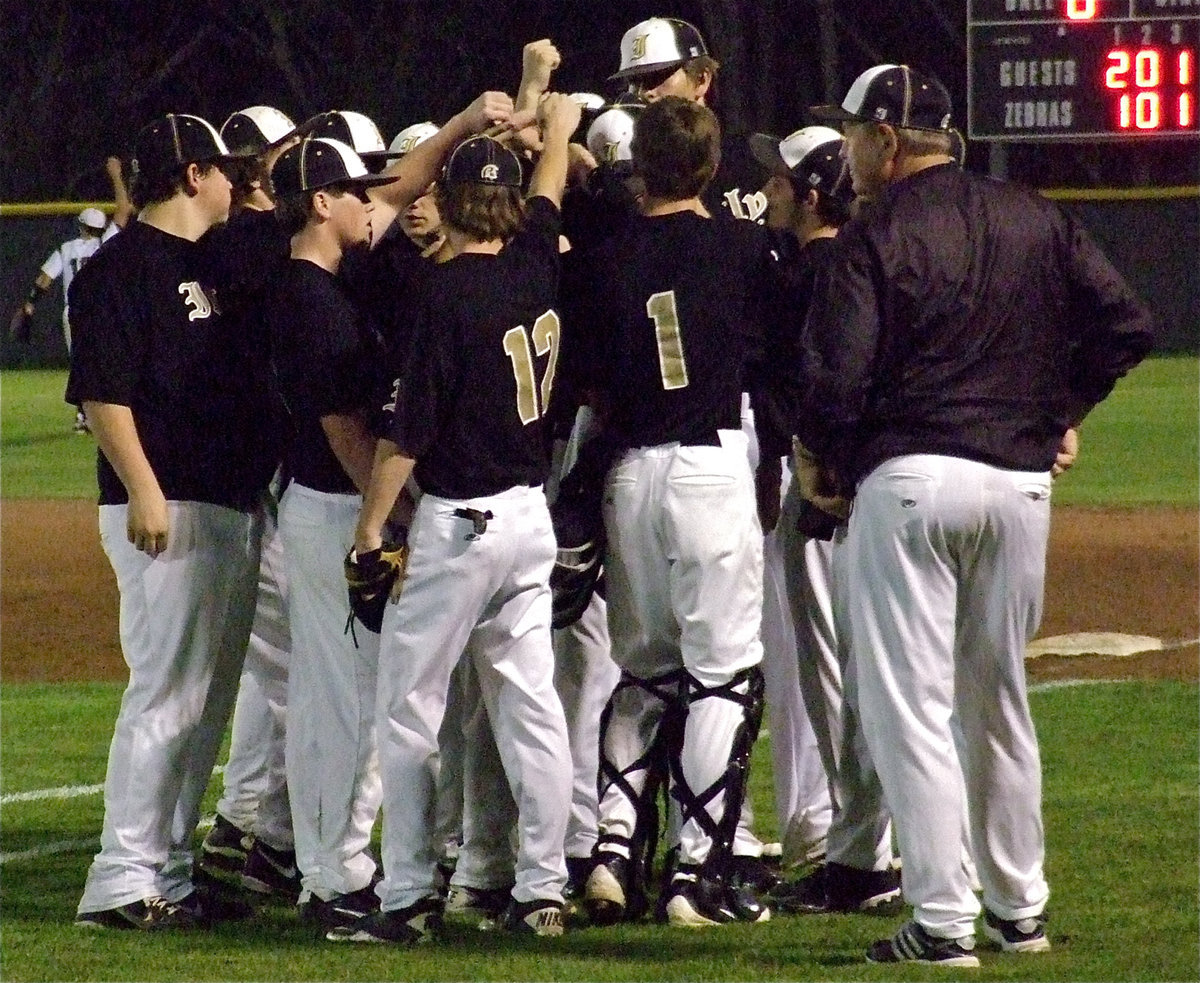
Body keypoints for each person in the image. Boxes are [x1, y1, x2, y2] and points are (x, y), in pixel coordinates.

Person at [798, 63, 1154, 965]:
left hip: (911, 484)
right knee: (996, 700)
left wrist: (829, 472)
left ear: (884, 139)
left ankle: (943, 919)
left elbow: (832, 380)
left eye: (851, 133)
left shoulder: (872, 231)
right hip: (1019, 488)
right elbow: (1127, 325)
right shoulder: (1036, 214)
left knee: (910, 708)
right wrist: (1064, 410)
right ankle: (1018, 909)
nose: (847, 149)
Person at [330, 92, 582, 946]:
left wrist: (370, 528)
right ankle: (543, 888)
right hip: (528, 520)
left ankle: (405, 896)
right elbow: (551, 179)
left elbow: (406, 436)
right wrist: (555, 117)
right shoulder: (541, 256)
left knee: (408, 709)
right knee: (530, 707)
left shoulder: (446, 293)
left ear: (457, 202)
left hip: (461, 523)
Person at [568, 95, 775, 928]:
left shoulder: (599, 258)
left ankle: (614, 848)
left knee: (644, 674)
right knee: (722, 676)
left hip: (629, 475)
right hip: (709, 467)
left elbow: (585, 385)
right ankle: (696, 871)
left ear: (638, 168)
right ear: (710, 166)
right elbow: (775, 353)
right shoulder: (744, 246)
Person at [68, 113, 268, 931]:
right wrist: (143, 487)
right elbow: (101, 394)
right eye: (222, 171)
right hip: (167, 507)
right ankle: (121, 879)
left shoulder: (209, 261)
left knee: (204, 702)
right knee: (167, 697)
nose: (234, 183)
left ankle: (169, 872)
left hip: (218, 500)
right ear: (191, 176)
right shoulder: (119, 271)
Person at [746, 124, 902, 916]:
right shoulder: (855, 260)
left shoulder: (815, 272)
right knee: (858, 672)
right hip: (858, 489)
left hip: (826, 492)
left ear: (812, 193)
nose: (767, 190)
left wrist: (816, 476)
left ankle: (864, 854)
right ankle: (867, 847)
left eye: (779, 180)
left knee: (838, 673)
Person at [197, 104, 301, 902]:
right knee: (302, 675)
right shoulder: (268, 245)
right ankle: (267, 836)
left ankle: (242, 829)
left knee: (270, 673)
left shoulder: (213, 245)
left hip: (246, 477)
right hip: (275, 480)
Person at [11, 156, 132, 433]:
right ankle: (104, 416)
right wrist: (116, 175)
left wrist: (30, 304)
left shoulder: (67, 249)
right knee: (105, 361)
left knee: (80, 363)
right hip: (102, 311)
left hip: (73, 312)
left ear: (80, 226)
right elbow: (123, 210)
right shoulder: (107, 241)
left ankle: (83, 416)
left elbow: (43, 280)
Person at [610, 16, 763, 224]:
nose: (645, 92)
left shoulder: (756, 160)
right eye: (634, 81)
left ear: (701, 79)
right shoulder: (622, 168)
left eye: (656, 77)